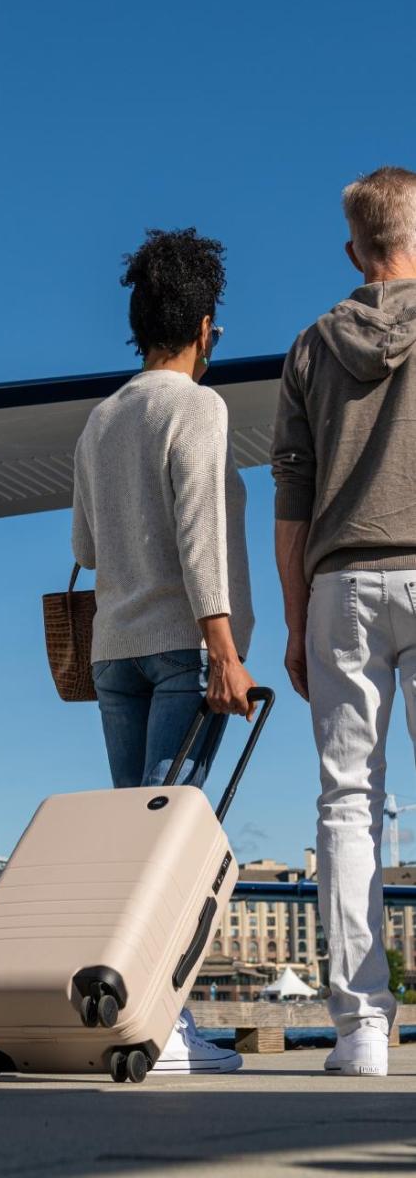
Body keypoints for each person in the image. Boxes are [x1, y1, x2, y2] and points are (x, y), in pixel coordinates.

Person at [72, 227, 256, 1074]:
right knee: (169, 852)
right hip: (187, 647)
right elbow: (201, 536)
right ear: (206, 325)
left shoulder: (100, 421)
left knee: (130, 846)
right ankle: (162, 1027)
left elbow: (86, 543)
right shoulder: (199, 408)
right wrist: (223, 648)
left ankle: (132, 1015)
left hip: (115, 651)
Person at [273, 166, 416, 1078]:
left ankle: (361, 1027)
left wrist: (293, 625)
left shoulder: (309, 348)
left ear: (353, 250)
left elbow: (289, 498)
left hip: (341, 584)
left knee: (346, 802)